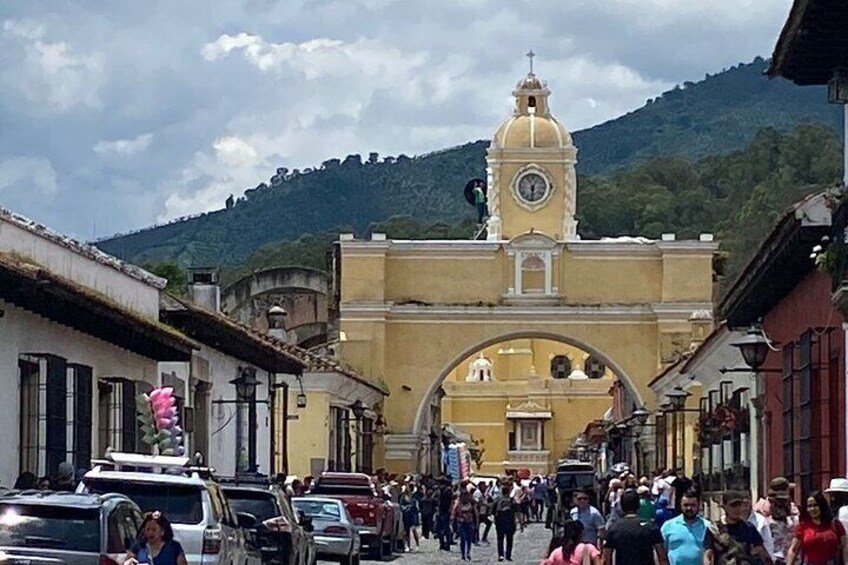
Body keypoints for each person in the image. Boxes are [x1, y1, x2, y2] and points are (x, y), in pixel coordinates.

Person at [704, 490, 772, 565]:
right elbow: (708, 556)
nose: (737, 509)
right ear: (724, 506)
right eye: (733, 505)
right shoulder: (715, 529)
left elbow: (762, 553)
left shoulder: (749, 528)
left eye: (739, 505)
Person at [603, 490, 668, 565]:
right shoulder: (650, 527)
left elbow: (606, 558)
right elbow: (662, 556)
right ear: (638, 505)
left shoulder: (614, 528)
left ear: (621, 506)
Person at [786, 490, 848, 565]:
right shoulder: (802, 526)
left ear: (822, 505)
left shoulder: (835, 524)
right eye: (809, 506)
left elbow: (845, 546)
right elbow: (793, 550)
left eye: (815, 505)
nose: (812, 509)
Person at [660, 490, 707, 565]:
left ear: (699, 505)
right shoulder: (668, 526)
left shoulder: (707, 526)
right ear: (680, 505)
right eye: (686, 505)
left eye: (693, 505)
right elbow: (660, 552)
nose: (689, 508)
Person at [763, 482, 798, 565]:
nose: (784, 504)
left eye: (786, 501)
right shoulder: (765, 521)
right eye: (780, 502)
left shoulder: (794, 520)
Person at [745, 493, 776, 560]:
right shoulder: (723, 522)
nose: (743, 506)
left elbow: (768, 545)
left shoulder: (760, 521)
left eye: (746, 502)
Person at [452, 489, 478, 561]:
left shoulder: (471, 503)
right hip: (461, 523)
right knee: (463, 539)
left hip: (469, 522)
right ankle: (463, 554)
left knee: (469, 539)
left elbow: (475, 513)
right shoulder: (458, 503)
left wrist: (477, 522)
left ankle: (468, 552)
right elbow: (453, 513)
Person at [494, 485, 517, 562]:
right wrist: (521, 522)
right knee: (509, 539)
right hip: (510, 522)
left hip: (500, 522)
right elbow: (517, 512)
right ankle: (508, 555)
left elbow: (492, 511)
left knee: (500, 539)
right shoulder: (511, 500)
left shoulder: (497, 500)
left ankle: (500, 555)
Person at [399, 484, 420, 552]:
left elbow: (416, 505)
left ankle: (417, 545)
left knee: (414, 529)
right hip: (406, 514)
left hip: (412, 514)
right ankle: (407, 545)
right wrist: (405, 508)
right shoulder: (402, 496)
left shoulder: (413, 496)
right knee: (406, 531)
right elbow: (401, 505)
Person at [437, 480, 454, 550]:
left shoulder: (447, 491)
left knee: (446, 528)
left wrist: (451, 510)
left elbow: (451, 501)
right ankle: (442, 543)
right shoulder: (441, 491)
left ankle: (447, 544)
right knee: (439, 528)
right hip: (441, 511)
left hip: (445, 511)